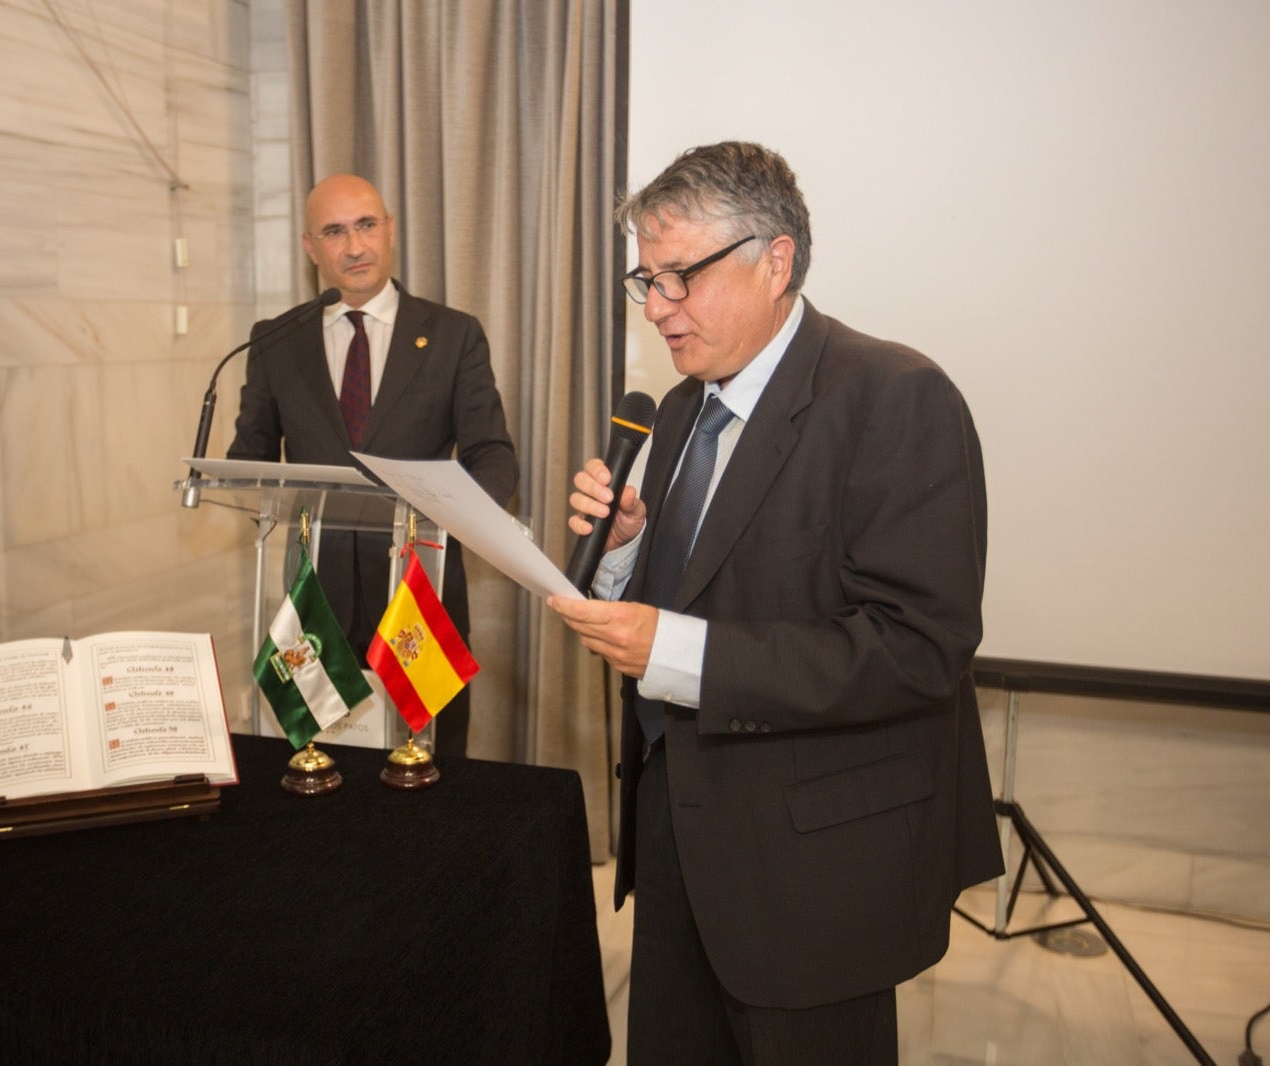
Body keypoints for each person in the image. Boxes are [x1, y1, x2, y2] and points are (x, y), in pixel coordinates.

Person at [547, 142, 1002, 1064]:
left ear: (776, 260)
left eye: (681, 276)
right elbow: (694, 593)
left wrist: (676, 653)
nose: (659, 307)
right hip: (680, 833)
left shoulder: (896, 397)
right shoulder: (679, 410)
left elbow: (917, 647)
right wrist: (629, 552)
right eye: (648, 279)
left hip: (815, 866)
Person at [229, 174, 518, 758]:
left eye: (366, 225)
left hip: (420, 594)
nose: (354, 246)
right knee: (318, 763)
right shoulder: (275, 340)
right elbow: (248, 460)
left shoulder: (453, 335)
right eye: (335, 232)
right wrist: (232, 477)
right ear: (311, 247)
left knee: (428, 762)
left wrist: (452, 522)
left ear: (390, 230)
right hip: (315, 599)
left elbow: (493, 457)